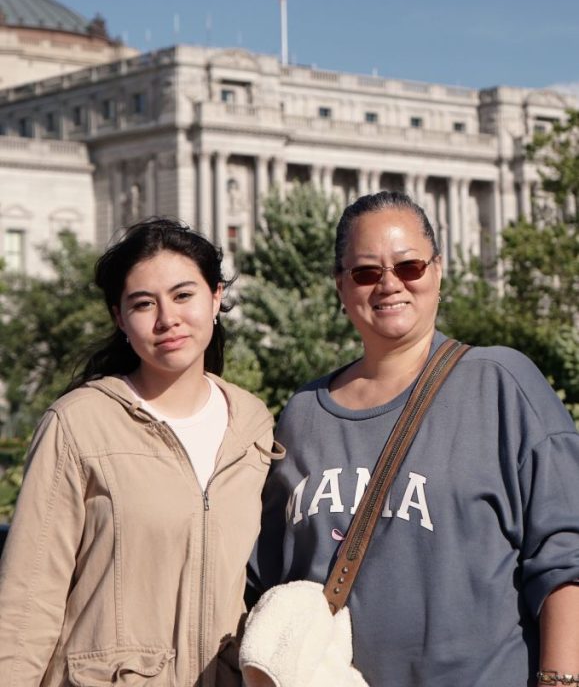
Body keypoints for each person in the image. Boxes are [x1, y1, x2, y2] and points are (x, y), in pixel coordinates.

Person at [249, 190, 579, 687]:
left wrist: (561, 680)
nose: (389, 284)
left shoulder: (500, 383)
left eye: (409, 266)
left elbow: (565, 554)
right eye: (366, 272)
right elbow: (271, 576)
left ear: (437, 271)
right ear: (341, 285)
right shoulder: (303, 415)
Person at [0, 217, 275, 687]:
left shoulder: (252, 425)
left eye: (183, 295)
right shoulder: (79, 423)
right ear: (120, 318)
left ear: (216, 298)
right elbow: (28, 601)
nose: (167, 319)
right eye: (144, 304)